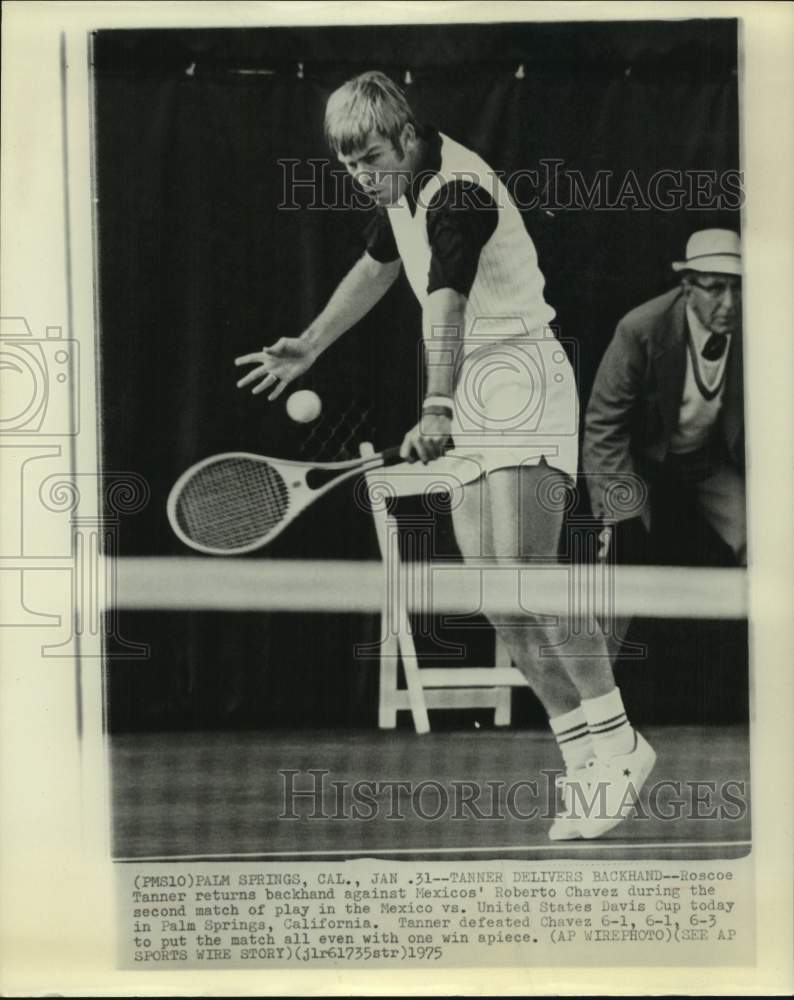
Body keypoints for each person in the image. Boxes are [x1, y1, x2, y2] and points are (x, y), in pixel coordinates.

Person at [235, 70, 655, 840]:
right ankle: (586, 764)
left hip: (520, 377)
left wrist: (436, 405)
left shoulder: (458, 191)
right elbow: (377, 266)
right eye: (349, 166)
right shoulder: (398, 188)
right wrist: (312, 343)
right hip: (475, 385)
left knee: (530, 581)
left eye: (371, 159)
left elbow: (448, 301)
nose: (364, 176)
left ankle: (621, 741)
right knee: (497, 596)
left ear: (404, 134)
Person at [584, 229, 745, 569]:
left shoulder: (756, 325)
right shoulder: (641, 329)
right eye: (715, 287)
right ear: (687, 286)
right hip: (639, 461)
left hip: (709, 462)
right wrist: (617, 511)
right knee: (621, 549)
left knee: (763, 536)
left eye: (737, 286)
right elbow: (604, 426)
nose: (729, 302)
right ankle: (600, 625)